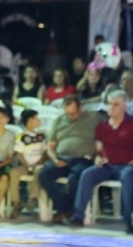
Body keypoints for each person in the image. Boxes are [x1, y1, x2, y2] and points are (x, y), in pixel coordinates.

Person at [64, 90, 133, 232]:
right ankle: (78, 216)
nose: (111, 107)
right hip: (107, 165)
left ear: (124, 106)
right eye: (110, 104)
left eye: (116, 104)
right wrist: (97, 157)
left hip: (128, 165)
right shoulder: (102, 126)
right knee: (87, 174)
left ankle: (130, 220)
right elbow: (99, 148)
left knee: (128, 177)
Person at [38, 95, 100, 223]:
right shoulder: (59, 121)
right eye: (68, 114)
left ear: (81, 107)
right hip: (62, 159)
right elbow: (51, 146)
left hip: (83, 159)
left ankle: (64, 211)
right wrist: (55, 159)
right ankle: (66, 209)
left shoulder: (93, 118)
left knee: (75, 178)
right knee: (44, 175)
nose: (70, 116)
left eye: (73, 113)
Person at [8, 109, 47, 219]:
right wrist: (27, 166)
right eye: (36, 119)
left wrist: (40, 161)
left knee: (39, 171)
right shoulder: (21, 136)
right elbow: (19, 154)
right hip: (26, 165)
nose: (39, 121)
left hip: (38, 165)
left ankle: (32, 199)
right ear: (30, 121)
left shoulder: (41, 136)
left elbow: (46, 152)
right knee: (14, 172)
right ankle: (16, 203)